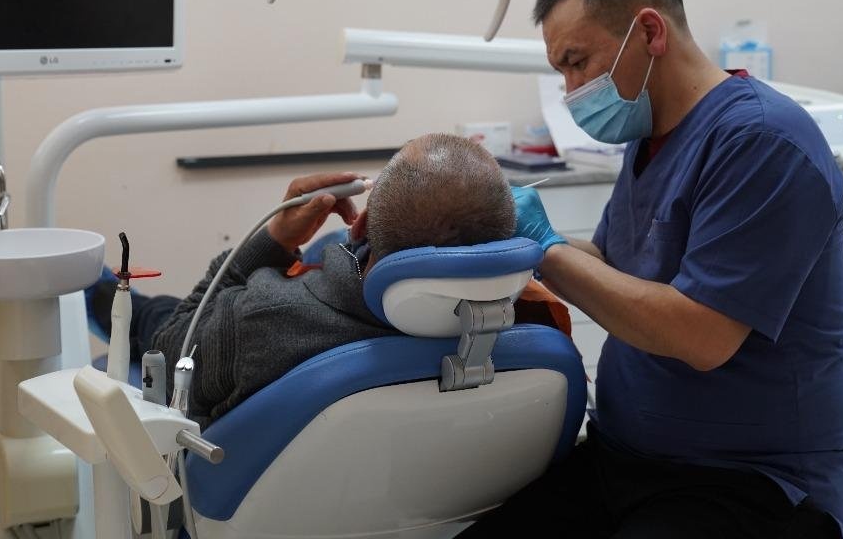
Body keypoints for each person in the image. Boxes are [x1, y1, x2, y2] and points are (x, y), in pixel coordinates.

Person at [459, 0, 843, 538]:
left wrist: (547, 249)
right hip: (626, 460)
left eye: (577, 63)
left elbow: (701, 335)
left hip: (748, 484)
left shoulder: (762, 141)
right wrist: (507, 234)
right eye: (561, 71)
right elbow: (614, 264)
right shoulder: (648, 138)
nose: (570, 90)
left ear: (649, 32)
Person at [89, 132, 570, 427]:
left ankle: (96, 287)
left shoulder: (266, 318)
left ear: (359, 226)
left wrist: (273, 238)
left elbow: (171, 353)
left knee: (153, 316)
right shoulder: (535, 323)